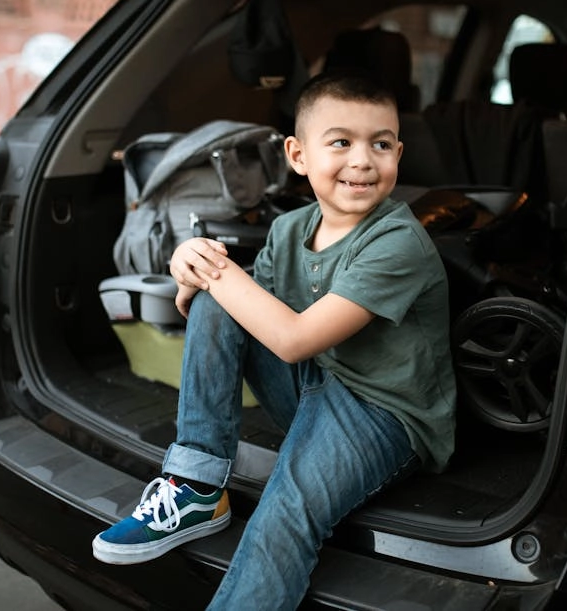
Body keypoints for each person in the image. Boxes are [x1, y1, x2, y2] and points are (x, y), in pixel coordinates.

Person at [92, 70, 457, 609]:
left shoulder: (398, 241)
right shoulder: (290, 229)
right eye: (340, 142)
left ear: (398, 154)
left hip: (385, 412)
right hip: (315, 383)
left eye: (380, 144)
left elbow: (293, 339)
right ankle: (195, 485)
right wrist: (188, 264)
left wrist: (214, 269)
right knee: (221, 297)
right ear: (298, 154)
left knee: (286, 511)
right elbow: (229, 309)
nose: (362, 160)